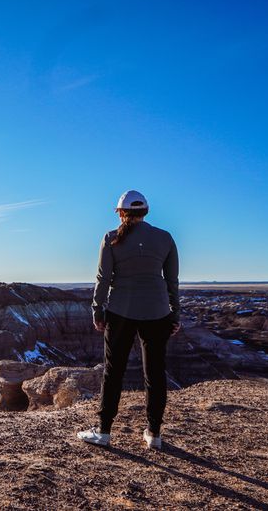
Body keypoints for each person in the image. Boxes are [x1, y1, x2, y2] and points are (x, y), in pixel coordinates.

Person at [77, 190, 180, 450]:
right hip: (157, 312)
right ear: (145, 212)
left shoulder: (111, 238)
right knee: (155, 373)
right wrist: (175, 314)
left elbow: (103, 279)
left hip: (121, 311)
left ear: (120, 212)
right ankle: (154, 434)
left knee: (113, 372)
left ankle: (103, 431)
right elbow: (172, 281)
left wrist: (97, 310)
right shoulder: (165, 238)